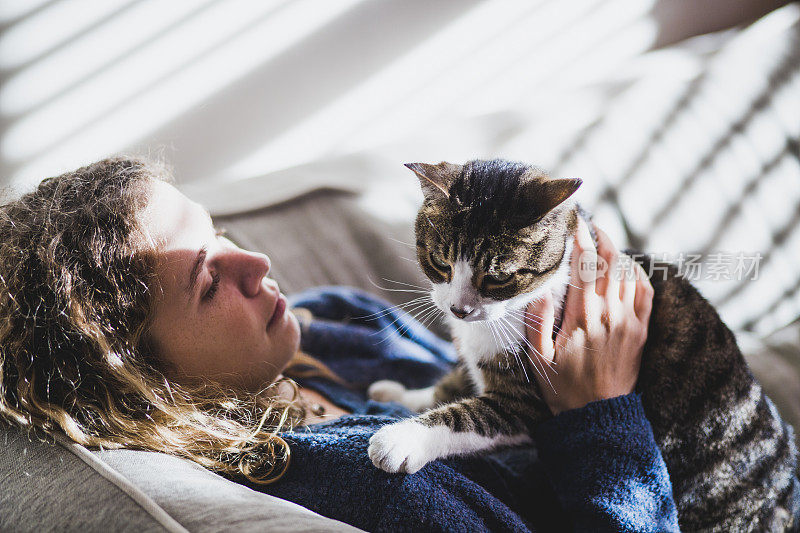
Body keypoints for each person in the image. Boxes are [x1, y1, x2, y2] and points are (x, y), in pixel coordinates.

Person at [0, 157, 677, 531]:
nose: (258, 261)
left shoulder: (337, 321)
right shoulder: (379, 485)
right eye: (209, 283)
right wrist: (604, 412)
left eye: (221, 232)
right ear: (142, 380)